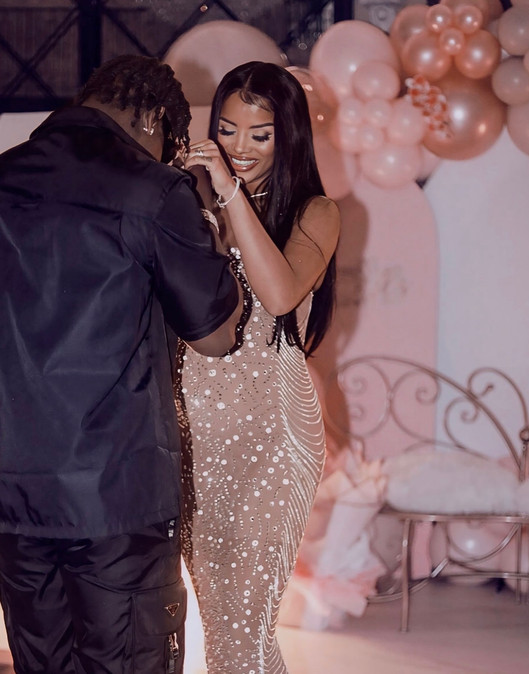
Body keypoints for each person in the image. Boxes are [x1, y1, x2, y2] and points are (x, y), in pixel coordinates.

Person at [0, 54, 242, 673]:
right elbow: (216, 336)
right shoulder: (152, 190)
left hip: (13, 495)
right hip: (117, 496)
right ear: (156, 117)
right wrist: (210, 225)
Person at [176, 61, 341, 673]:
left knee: (246, 628)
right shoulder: (190, 202)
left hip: (273, 438)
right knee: (223, 629)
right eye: (226, 130)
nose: (239, 147)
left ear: (287, 135)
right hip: (193, 437)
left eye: (259, 134)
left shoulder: (316, 212)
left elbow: (278, 295)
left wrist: (228, 193)